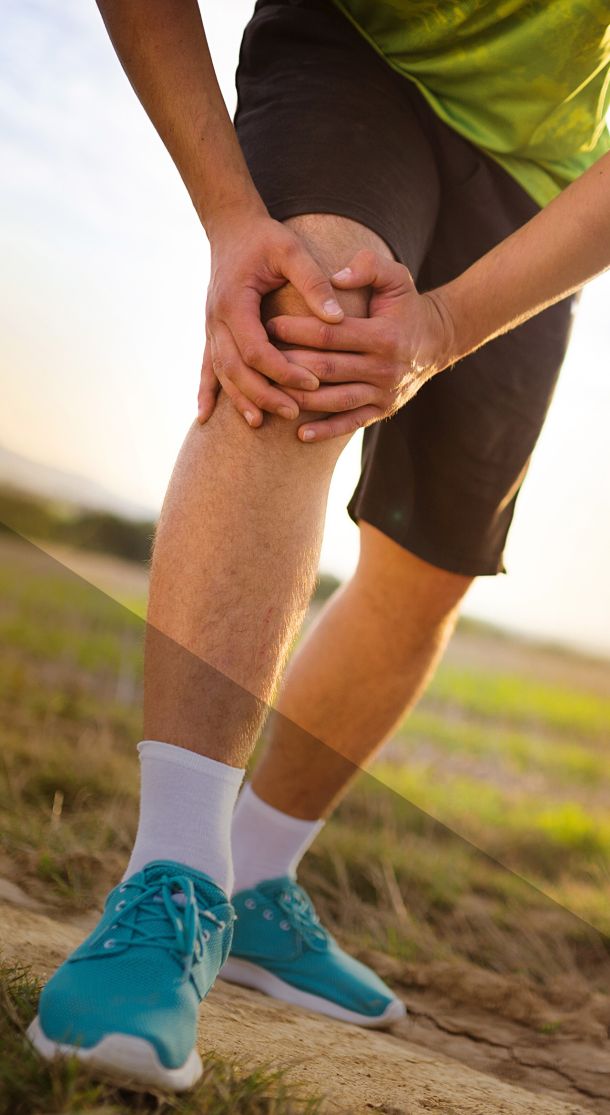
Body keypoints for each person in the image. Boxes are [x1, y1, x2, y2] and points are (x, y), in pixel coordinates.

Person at [28, 0, 610, 1093]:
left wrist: (445, 327)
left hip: (546, 173)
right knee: (305, 333)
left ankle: (255, 879)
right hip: (359, 53)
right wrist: (228, 214)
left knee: (432, 566)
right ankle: (172, 878)